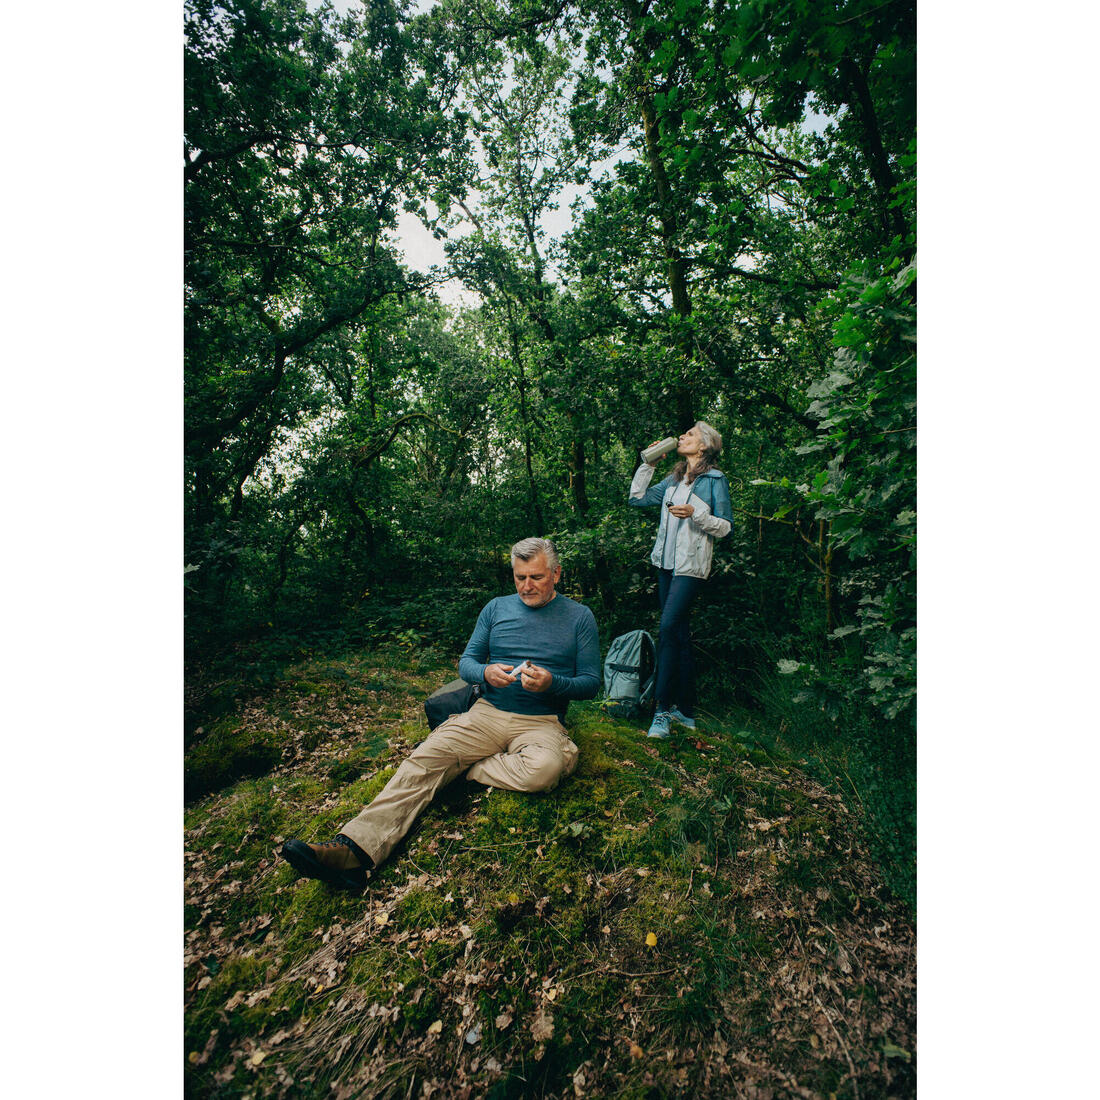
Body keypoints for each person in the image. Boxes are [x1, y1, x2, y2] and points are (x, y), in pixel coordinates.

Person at [280, 537, 600, 890]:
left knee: (545, 769)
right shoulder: (496, 609)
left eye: (536, 577)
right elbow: (467, 663)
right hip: (487, 713)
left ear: (556, 573)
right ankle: (351, 852)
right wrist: (485, 673)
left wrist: (552, 683)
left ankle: (466, 769)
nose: (526, 586)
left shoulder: (579, 617)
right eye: (519, 577)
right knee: (424, 758)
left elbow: (590, 683)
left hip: (541, 722)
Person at [628, 422, 733, 740]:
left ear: (704, 446)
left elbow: (726, 526)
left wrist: (696, 514)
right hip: (666, 565)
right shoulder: (673, 479)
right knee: (680, 635)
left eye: (690, 434)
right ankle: (685, 711)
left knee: (668, 629)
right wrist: (648, 465)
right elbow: (637, 499)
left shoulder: (715, 479)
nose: (682, 437)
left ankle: (661, 709)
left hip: (691, 567)